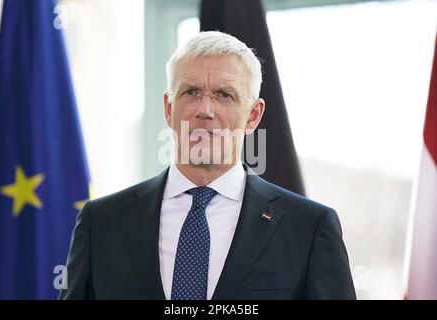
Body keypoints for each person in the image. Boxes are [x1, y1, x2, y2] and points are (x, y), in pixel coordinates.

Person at [59, 31, 356, 300]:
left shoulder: (309, 227)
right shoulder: (101, 223)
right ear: (168, 108)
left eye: (224, 95)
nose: (205, 110)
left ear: (253, 115)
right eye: (191, 92)